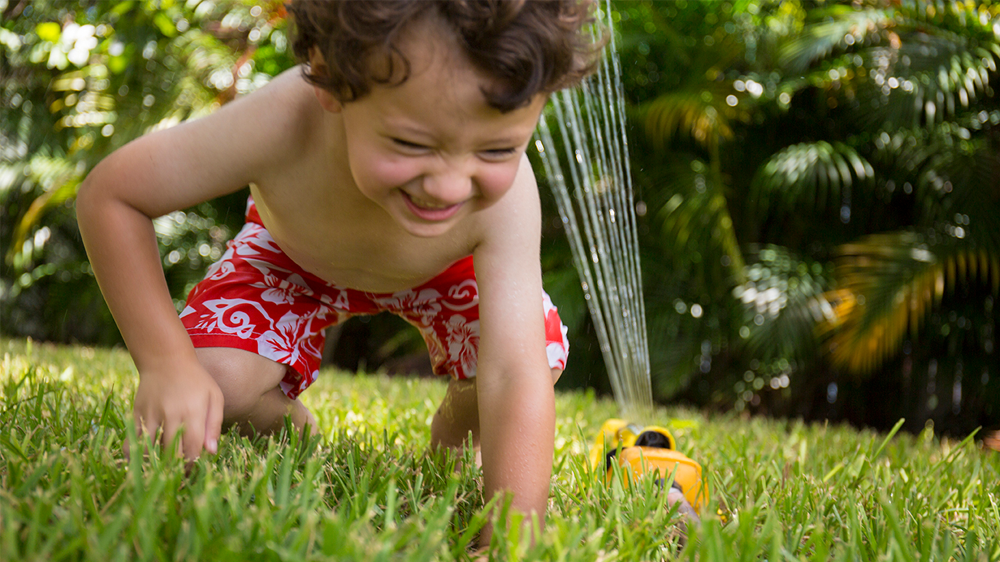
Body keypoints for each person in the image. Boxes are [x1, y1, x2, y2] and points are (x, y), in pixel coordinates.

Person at [76, 0, 597, 545]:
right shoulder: (278, 123)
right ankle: (284, 425)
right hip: (293, 258)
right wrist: (166, 363)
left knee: (533, 350)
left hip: (445, 271)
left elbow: (515, 373)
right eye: (411, 144)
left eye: (497, 149)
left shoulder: (506, 200)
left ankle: (458, 428)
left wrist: (512, 540)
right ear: (327, 77)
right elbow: (114, 197)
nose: (449, 186)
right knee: (216, 381)